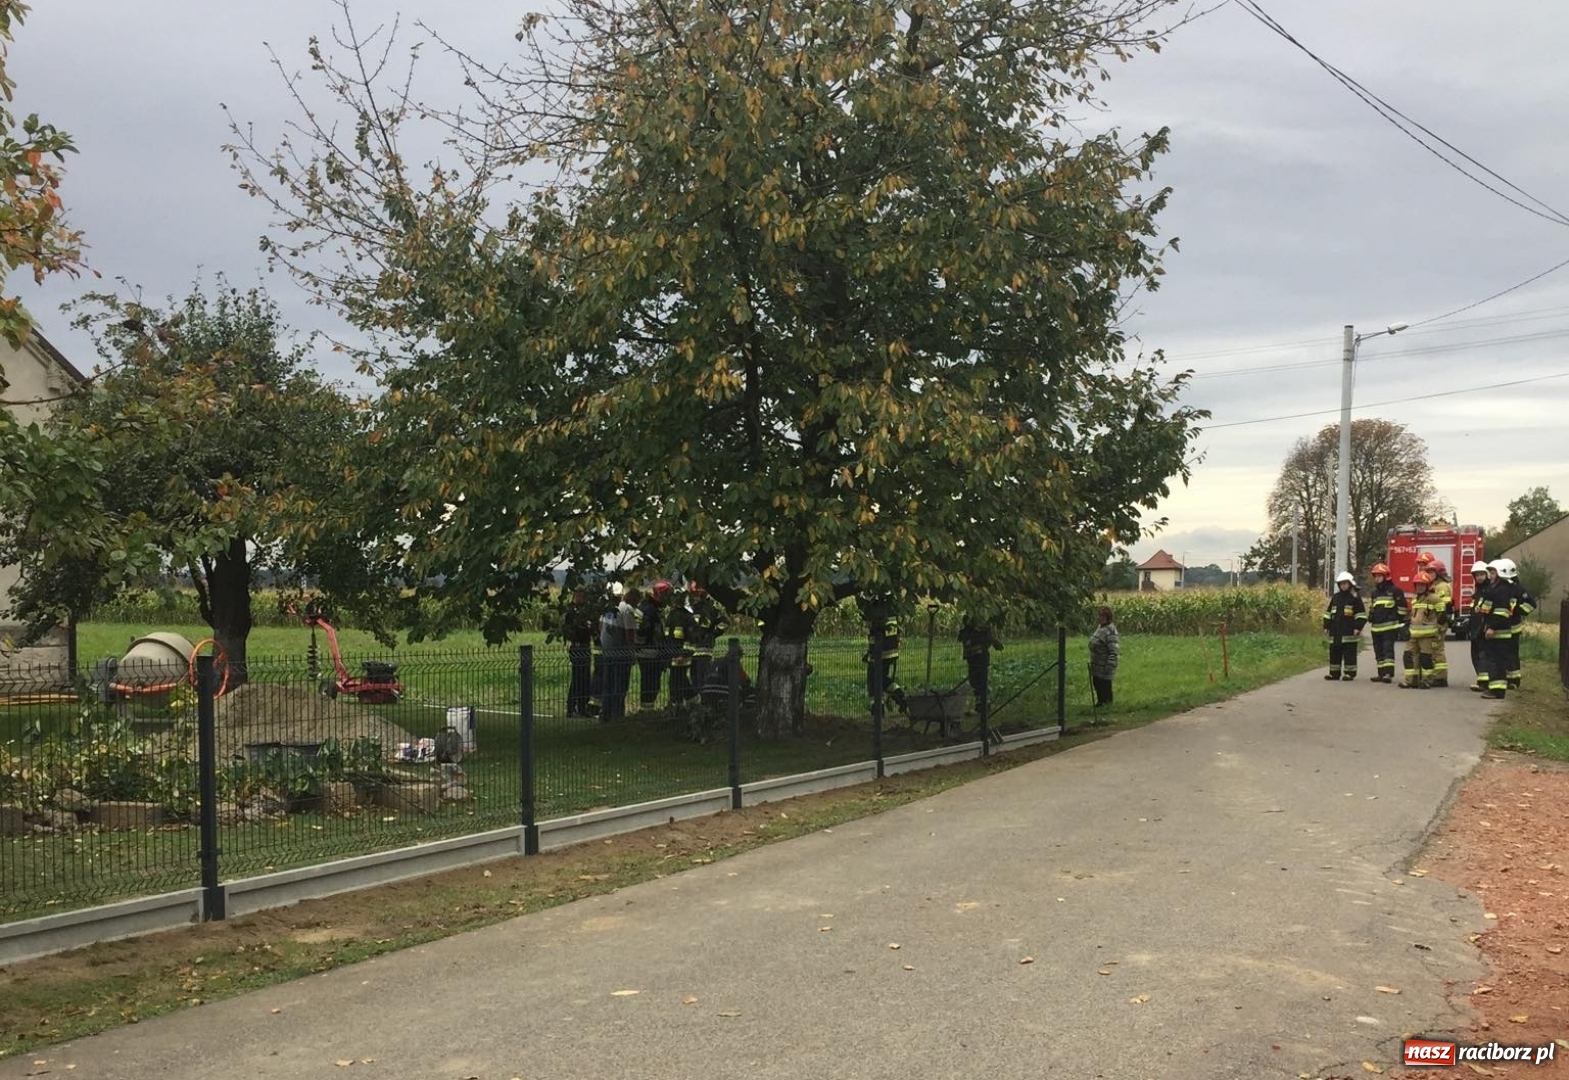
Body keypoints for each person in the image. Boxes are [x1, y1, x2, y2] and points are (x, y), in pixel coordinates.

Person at [597, 584, 639, 720]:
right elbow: (630, 635)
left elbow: (600, 627)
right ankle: (617, 714)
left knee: (607, 685)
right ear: (633, 599)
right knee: (619, 686)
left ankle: (605, 713)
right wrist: (632, 653)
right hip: (621, 654)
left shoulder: (608, 609)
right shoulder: (626, 610)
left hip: (607, 652)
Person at [859, 594, 906, 713]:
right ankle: (900, 696)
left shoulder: (874, 607)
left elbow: (874, 627)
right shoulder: (890, 605)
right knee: (883, 679)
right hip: (891, 651)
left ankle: (877, 709)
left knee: (873, 681)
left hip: (879, 652)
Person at [557, 585, 597, 717]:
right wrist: (585, 627)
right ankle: (571, 706)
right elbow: (571, 630)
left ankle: (582, 707)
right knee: (577, 678)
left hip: (585, 646)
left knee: (585, 679)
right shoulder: (571, 611)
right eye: (579, 595)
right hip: (577, 646)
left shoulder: (585, 610)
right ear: (575, 595)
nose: (582, 597)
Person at [1400, 571, 1443, 689]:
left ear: (1427, 586)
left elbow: (1442, 615)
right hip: (1413, 634)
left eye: (1422, 585)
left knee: (1426, 659)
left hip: (1427, 636)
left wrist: (1439, 630)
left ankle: (1426, 680)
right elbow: (1413, 616)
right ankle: (1411, 680)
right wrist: (1406, 626)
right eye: (1418, 585)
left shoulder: (1435, 599)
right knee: (1408, 656)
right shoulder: (1415, 600)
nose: (1419, 587)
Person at [1322, 571, 1367, 681]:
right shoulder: (1336, 598)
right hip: (1335, 632)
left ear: (1350, 584)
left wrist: (1357, 627)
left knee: (1349, 654)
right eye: (1341, 584)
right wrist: (1326, 626)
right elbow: (1328, 613)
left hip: (1349, 632)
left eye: (1345, 583)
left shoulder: (1354, 598)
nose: (1343, 586)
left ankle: (1349, 673)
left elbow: (1361, 615)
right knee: (1334, 653)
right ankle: (1334, 673)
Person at [1364, 563, 1405, 683]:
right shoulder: (1375, 593)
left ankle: (1388, 674)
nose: (1377, 579)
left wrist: (1397, 621)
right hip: (1376, 628)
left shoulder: (1395, 591)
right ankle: (1381, 674)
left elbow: (1402, 608)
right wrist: (1371, 615)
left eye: (1379, 576)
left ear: (1386, 576)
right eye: (1375, 576)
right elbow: (1373, 607)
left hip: (1389, 627)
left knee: (1388, 651)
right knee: (1379, 652)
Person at [686, 581, 729, 694]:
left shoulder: (710, 608)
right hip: (692, 650)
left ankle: (704, 701)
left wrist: (713, 634)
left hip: (704, 650)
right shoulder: (693, 608)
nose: (694, 597)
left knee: (701, 679)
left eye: (695, 595)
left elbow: (725, 622)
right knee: (693, 678)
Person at [635, 580, 672, 708]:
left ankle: (647, 708)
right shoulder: (651, 610)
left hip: (646, 652)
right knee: (651, 684)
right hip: (650, 653)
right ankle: (647, 710)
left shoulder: (644, 606)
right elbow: (644, 631)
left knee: (648, 683)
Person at [957, 618, 1003, 716]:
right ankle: (983, 704)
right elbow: (961, 638)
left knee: (979, 682)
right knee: (976, 682)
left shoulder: (982, 632)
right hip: (973, 658)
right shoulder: (969, 632)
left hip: (979, 658)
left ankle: (982, 706)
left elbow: (986, 640)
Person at [665, 586, 696, 704]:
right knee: (674, 681)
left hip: (682, 656)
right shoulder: (671, 615)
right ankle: (677, 703)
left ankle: (688, 701)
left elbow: (691, 639)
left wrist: (683, 654)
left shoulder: (687, 617)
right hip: (671, 655)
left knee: (679, 680)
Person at [1466, 561, 1494, 693]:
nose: (1479, 577)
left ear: (1487, 575)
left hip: (1484, 628)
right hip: (1476, 629)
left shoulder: (1490, 591)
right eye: (1477, 575)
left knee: (1483, 656)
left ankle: (1484, 682)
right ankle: (1481, 679)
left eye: (1482, 574)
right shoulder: (1478, 592)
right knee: (1475, 655)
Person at [1087, 606, 1120, 709]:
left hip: (1105, 665)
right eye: (1099, 615)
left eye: (1101, 615)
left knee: (1104, 686)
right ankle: (1100, 703)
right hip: (1097, 665)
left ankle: (1106, 706)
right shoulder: (1100, 627)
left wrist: (1109, 665)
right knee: (1097, 683)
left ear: (1107, 617)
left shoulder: (1110, 630)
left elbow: (1113, 650)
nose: (1099, 617)